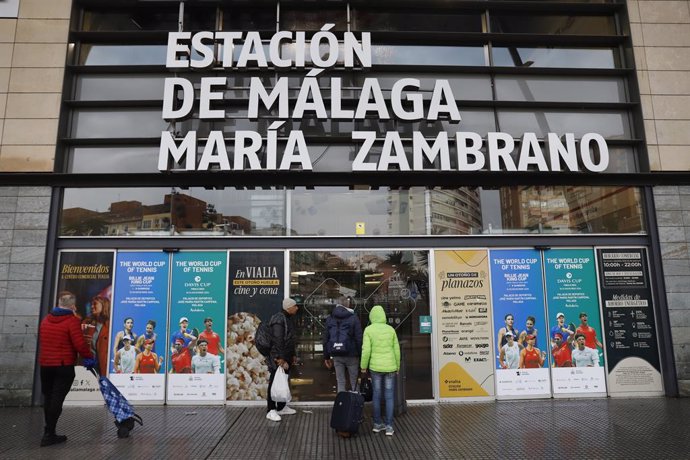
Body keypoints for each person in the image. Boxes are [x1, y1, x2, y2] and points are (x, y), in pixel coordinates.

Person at [38, 291, 95, 447]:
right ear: (72, 306)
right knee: (57, 399)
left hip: (46, 366)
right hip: (63, 366)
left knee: (49, 398)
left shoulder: (45, 320)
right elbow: (79, 344)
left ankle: (49, 431)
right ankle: (49, 434)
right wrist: (89, 357)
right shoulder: (71, 321)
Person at [360, 305, 400, 437]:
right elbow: (396, 350)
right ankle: (389, 427)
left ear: (372, 316)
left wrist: (363, 366)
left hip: (375, 367)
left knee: (376, 395)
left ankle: (377, 425)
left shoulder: (368, 330)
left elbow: (366, 350)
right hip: (390, 367)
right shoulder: (390, 330)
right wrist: (397, 366)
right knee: (389, 396)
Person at [266, 298, 299, 422]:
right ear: (288, 308)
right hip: (278, 357)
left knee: (282, 380)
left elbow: (289, 339)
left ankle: (281, 407)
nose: (297, 308)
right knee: (274, 381)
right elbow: (278, 340)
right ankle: (271, 410)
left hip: (286, 355)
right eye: (294, 306)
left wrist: (292, 355)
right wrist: (280, 358)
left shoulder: (287, 318)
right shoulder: (278, 319)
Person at [322, 300, 363, 393]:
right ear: (348, 305)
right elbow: (359, 339)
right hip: (352, 355)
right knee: (354, 382)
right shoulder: (354, 318)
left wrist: (326, 356)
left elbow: (325, 339)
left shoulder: (330, 318)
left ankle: (341, 405)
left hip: (336, 354)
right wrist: (361, 355)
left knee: (340, 381)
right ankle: (355, 405)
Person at [80, 295, 110, 376]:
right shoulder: (86, 323)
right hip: (88, 365)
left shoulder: (111, 325)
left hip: (103, 367)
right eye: (91, 304)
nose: (92, 306)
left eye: (95, 304)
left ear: (104, 305)